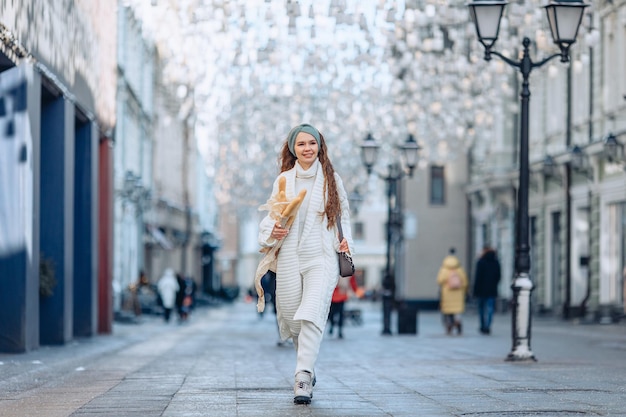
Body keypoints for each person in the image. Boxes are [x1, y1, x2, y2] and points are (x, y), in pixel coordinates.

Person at [258, 123, 353, 405]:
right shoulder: (284, 181)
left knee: (311, 311)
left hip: (322, 256)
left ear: (320, 146)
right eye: (301, 144)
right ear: (292, 149)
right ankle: (309, 368)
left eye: (312, 143)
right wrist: (272, 229)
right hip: (289, 257)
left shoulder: (332, 179)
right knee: (293, 317)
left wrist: (347, 243)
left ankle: (302, 375)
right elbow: (272, 214)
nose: (307, 148)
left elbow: (344, 216)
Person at [436, 247, 468, 335]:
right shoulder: (459, 269)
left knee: (448, 311)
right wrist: (464, 291)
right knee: (457, 310)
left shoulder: (444, 269)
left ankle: (449, 325)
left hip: (447, 294)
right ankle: (458, 322)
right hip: (458, 294)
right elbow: (465, 282)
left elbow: (439, 280)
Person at [473, 246, 501, 335]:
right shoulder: (496, 262)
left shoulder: (481, 262)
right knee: (490, 309)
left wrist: (475, 290)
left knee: (481, 308)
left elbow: (477, 278)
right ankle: (488, 326)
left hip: (481, 290)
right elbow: (498, 276)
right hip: (492, 289)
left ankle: (482, 325)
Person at [328, 274, 362, 339]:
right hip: (337, 296)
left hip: (337, 296)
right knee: (337, 314)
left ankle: (336, 329)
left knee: (334, 314)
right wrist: (356, 291)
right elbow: (352, 282)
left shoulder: (335, 270)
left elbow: (352, 282)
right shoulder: (345, 270)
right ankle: (337, 330)